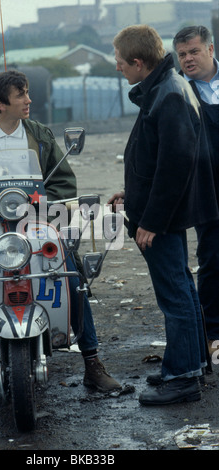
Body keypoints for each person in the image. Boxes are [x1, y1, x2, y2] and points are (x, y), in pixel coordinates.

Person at [0, 70, 125, 405]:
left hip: (36, 221)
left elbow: (61, 180)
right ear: (1, 103)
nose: (29, 100)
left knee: (74, 277)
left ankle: (92, 362)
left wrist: (49, 205)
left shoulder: (40, 135)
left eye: (27, 93)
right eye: (21, 95)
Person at [108, 25, 219, 405]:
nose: (118, 68)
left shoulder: (167, 93)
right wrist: (133, 192)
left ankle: (183, 378)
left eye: (121, 63)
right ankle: (189, 362)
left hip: (162, 221)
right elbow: (159, 158)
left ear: (139, 62)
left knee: (175, 295)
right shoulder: (165, 87)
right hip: (161, 214)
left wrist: (151, 220)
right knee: (184, 292)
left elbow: (176, 164)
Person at [173, 26, 219, 357]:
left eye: (193, 51)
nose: (188, 59)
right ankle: (213, 333)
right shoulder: (180, 91)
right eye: (182, 54)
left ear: (210, 49)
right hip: (208, 190)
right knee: (213, 258)